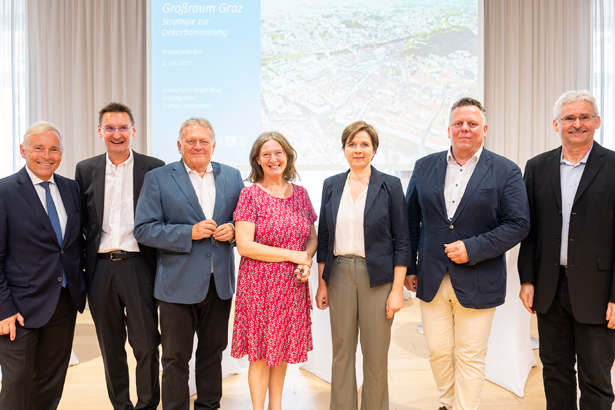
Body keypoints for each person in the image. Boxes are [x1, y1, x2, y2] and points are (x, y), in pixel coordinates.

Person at [405, 97, 529, 410]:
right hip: (431, 278)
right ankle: (446, 404)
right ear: (448, 130)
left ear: (484, 129)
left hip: (479, 278)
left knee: (471, 355)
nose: (465, 129)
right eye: (458, 123)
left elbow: (518, 224)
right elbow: (411, 220)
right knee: (437, 351)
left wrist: (472, 248)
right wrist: (410, 267)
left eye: (472, 124)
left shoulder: (506, 171)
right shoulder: (424, 166)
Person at [134, 117, 244, 410]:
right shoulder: (158, 178)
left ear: (214, 145)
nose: (197, 146)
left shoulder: (232, 176)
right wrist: (188, 233)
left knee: (212, 354)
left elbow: (243, 222)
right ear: (179, 145)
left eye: (203, 141)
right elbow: (144, 229)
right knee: (174, 358)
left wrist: (234, 231)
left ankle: (209, 406)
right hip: (176, 286)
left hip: (219, 285)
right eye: (191, 141)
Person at [518, 90, 615, 410]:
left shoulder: (614, 165)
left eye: (584, 116)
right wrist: (527, 279)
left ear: (597, 121)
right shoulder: (537, 167)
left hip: (599, 292)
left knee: (596, 379)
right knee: (556, 373)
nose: (577, 124)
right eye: (569, 118)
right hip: (549, 287)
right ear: (556, 124)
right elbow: (529, 230)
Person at [75, 102, 164, 410]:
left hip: (140, 266)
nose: (117, 134)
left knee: (147, 346)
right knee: (110, 348)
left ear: (133, 131)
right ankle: (121, 406)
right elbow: (81, 224)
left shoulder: (154, 168)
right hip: (100, 271)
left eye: (123, 127)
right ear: (100, 131)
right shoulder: (85, 169)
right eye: (110, 128)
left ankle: (148, 405)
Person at [315, 121, 409, 410]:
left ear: (374, 150)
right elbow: (325, 237)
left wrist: (396, 291)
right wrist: (322, 283)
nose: (358, 150)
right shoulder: (331, 184)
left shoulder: (390, 185)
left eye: (364, 144)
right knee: (342, 352)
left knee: (376, 355)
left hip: (378, 279)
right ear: (344, 149)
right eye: (352, 144)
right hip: (340, 274)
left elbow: (402, 240)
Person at [0, 122, 87, 410]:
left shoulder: (71, 188)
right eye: (38, 148)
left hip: (62, 302)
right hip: (19, 309)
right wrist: (4, 308)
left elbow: (72, 245)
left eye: (53, 149)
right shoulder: (5, 190)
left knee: (51, 381)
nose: (46, 155)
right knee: (17, 383)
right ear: (23, 150)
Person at [231, 131, 317, 410]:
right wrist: (294, 255)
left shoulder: (301, 194)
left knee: (279, 350)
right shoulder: (250, 195)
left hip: (292, 285)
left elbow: (312, 238)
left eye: (278, 152)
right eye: (266, 154)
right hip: (259, 285)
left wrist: (306, 260)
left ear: (287, 156)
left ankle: (275, 407)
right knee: (259, 353)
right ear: (257, 160)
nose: (273, 158)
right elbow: (245, 246)